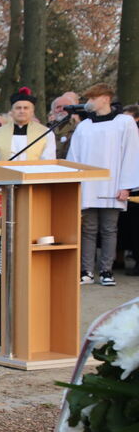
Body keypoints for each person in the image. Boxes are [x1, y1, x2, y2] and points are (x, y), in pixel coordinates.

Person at [0, 86, 56, 283]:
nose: (22, 111)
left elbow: (49, 162)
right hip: (3, 190)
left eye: (26, 108)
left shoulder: (46, 133)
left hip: (33, 190)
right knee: (2, 231)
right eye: (18, 107)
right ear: (11, 111)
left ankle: (30, 272)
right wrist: (0, 185)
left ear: (32, 111)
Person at [68, 83, 139, 286]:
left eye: (92, 98)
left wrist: (126, 185)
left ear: (105, 98)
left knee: (109, 229)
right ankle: (87, 270)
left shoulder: (124, 122)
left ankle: (106, 270)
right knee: (88, 229)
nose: (89, 103)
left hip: (113, 185)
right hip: (88, 185)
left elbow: (131, 154)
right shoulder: (84, 126)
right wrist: (76, 183)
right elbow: (75, 156)